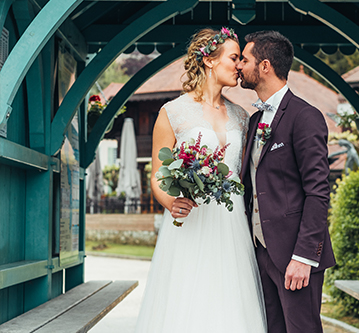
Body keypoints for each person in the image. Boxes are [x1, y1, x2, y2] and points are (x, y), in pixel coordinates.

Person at [134, 28, 266, 333]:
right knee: (185, 304)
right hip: (189, 223)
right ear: (208, 60)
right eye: (234, 58)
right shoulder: (172, 112)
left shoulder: (242, 117)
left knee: (230, 303)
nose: (239, 66)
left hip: (233, 224)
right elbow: (157, 174)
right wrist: (171, 202)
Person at [237, 30, 336, 333]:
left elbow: (318, 192)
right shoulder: (254, 121)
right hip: (261, 252)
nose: (239, 65)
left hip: (295, 255)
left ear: (264, 66)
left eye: (244, 59)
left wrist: (304, 256)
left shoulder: (305, 116)